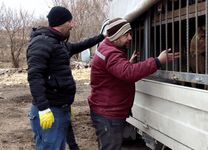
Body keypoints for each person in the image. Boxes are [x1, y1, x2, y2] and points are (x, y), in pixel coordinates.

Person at [88, 18, 180, 150]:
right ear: (115, 37)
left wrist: (127, 64)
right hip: (108, 114)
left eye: (130, 34)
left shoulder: (106, 48)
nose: (130, 37)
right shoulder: (111, 53)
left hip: (106, 110)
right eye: (126, 35)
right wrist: (157, 61)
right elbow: (129, 74)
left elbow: (117, 72)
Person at [26, 6, 105, 150]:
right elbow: (34, 76)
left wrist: (102, 37)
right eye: (69, 21)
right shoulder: (42, 42)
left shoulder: (59, 43)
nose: (72, 25)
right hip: (50, 111)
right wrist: (43, 109)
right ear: (60, 22)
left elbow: (81, 45)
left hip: (61, 109)